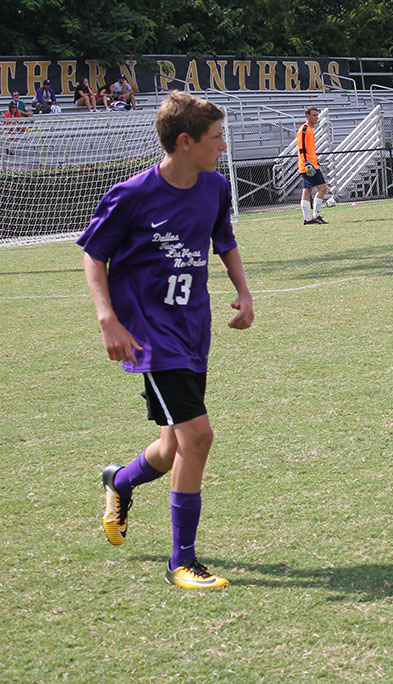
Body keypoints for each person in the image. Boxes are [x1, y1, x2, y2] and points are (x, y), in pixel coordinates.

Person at [78, 90, 254, 589]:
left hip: (193, 328)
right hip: (151, 336)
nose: (223, 146)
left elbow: (224, 241)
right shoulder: (133, 194)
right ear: (185, 141)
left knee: (172, 444)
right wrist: (107, 319)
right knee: (198, 437)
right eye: (216, 137)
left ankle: (119, 481)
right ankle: (182, 562)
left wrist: (243, 292)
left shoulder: (215, 187)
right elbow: (94, 254)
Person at [296, 107, 328, 225]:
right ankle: (316, 215)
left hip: (312, 164)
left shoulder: (310, 129)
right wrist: (307, 163)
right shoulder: (304, 129)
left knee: (308, 189)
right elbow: (302, 148)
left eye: (317, 115)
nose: (316, 117)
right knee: (322, 188)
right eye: (314, 115)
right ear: (307, 116)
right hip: (309, 165)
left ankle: (308, 219)